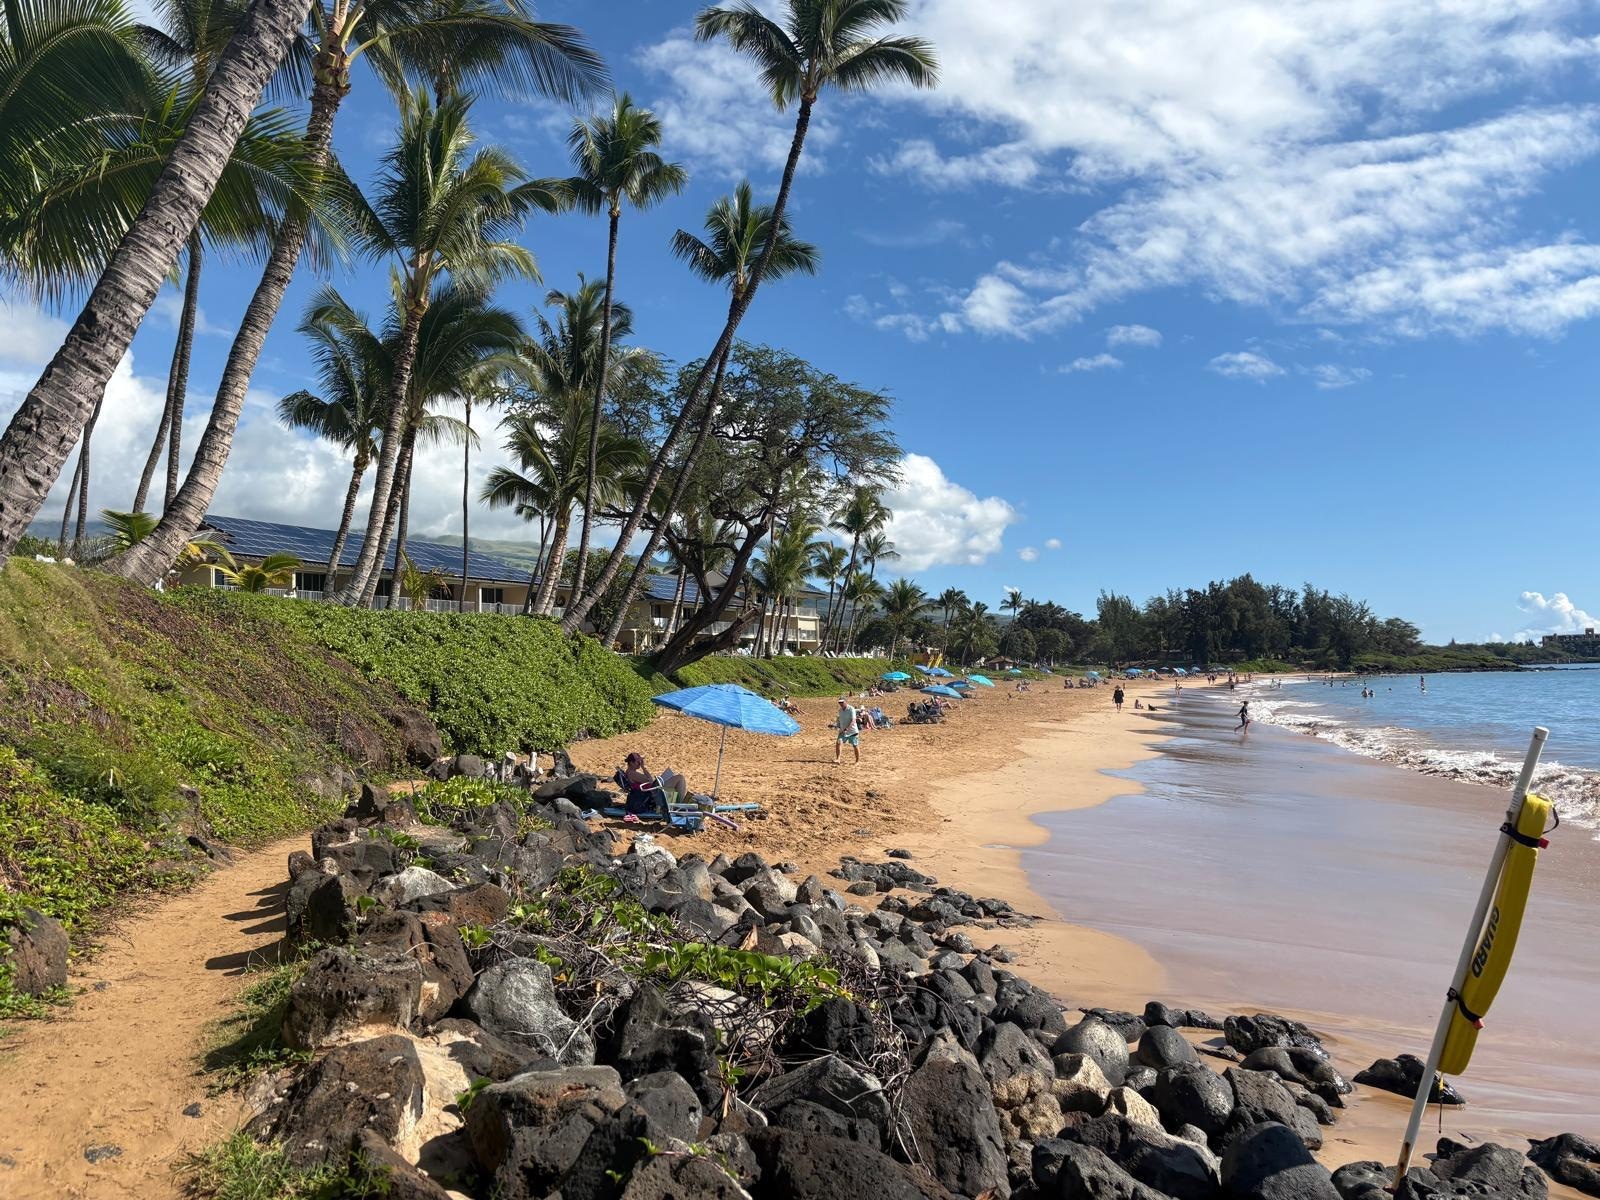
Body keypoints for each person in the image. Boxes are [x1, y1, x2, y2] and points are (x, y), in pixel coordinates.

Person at [834, 697, 862, 765]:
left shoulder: (851, 709)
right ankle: (838, 759)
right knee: (838, 742)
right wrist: (838, 726)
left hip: (852, 731)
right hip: (843, 731)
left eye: (842, 702)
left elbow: (853, 720)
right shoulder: (840, 710)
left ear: (846, 701)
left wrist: (848, 728)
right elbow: (840, 719)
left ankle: (857, 761)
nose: (841, 704)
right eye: (839, 702)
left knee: (855, 745)